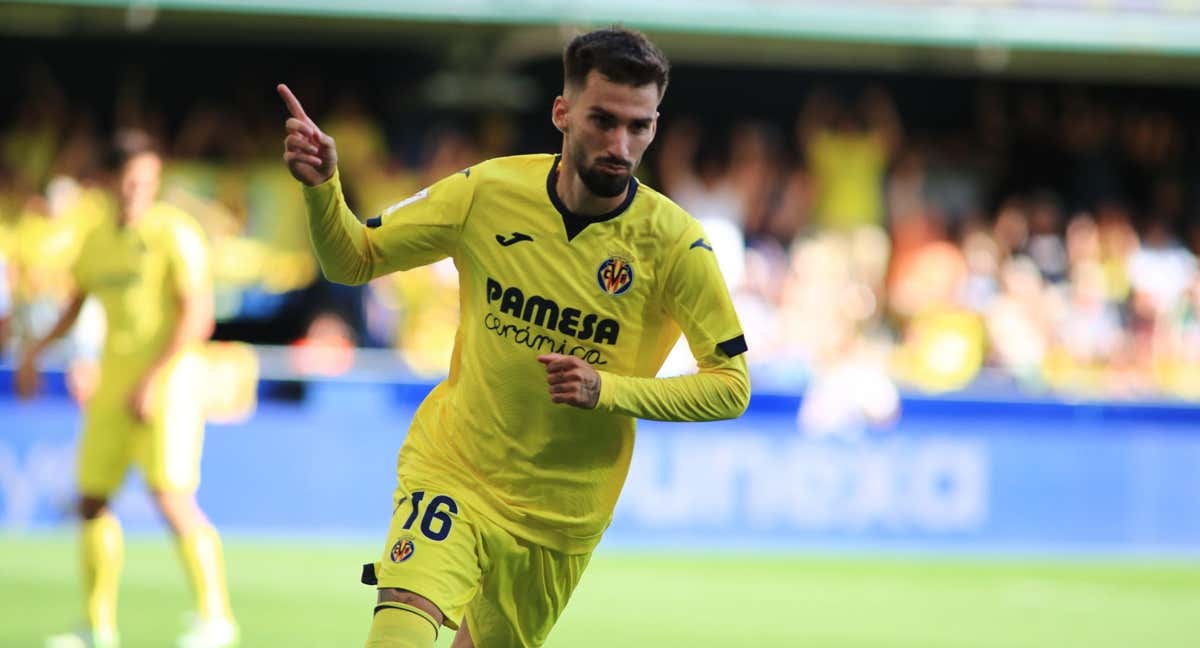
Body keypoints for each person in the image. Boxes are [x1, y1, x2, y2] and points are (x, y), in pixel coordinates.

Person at [279, 27, 750, 648]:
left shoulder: (676, 245)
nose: (620, 144)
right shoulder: (489, 193)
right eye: (603, 121)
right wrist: (323, 190)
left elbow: (732, 387)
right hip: (456, 471)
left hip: (561, 518)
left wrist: (607, 389)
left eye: (639, 126)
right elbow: (355, 259)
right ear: (562, 112)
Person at [17, 130, 237, 648]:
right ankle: (97, 628)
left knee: (172, 497)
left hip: (171, 382)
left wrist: (154, 379)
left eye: (148, 180)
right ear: (109, 181)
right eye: (130, 180)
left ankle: (215, 618)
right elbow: (75, 306)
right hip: (114, 384)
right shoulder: (96, 239)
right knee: (92, 500)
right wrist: (34, 351)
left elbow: (198, 316)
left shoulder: (175, 234)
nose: (138, 190)